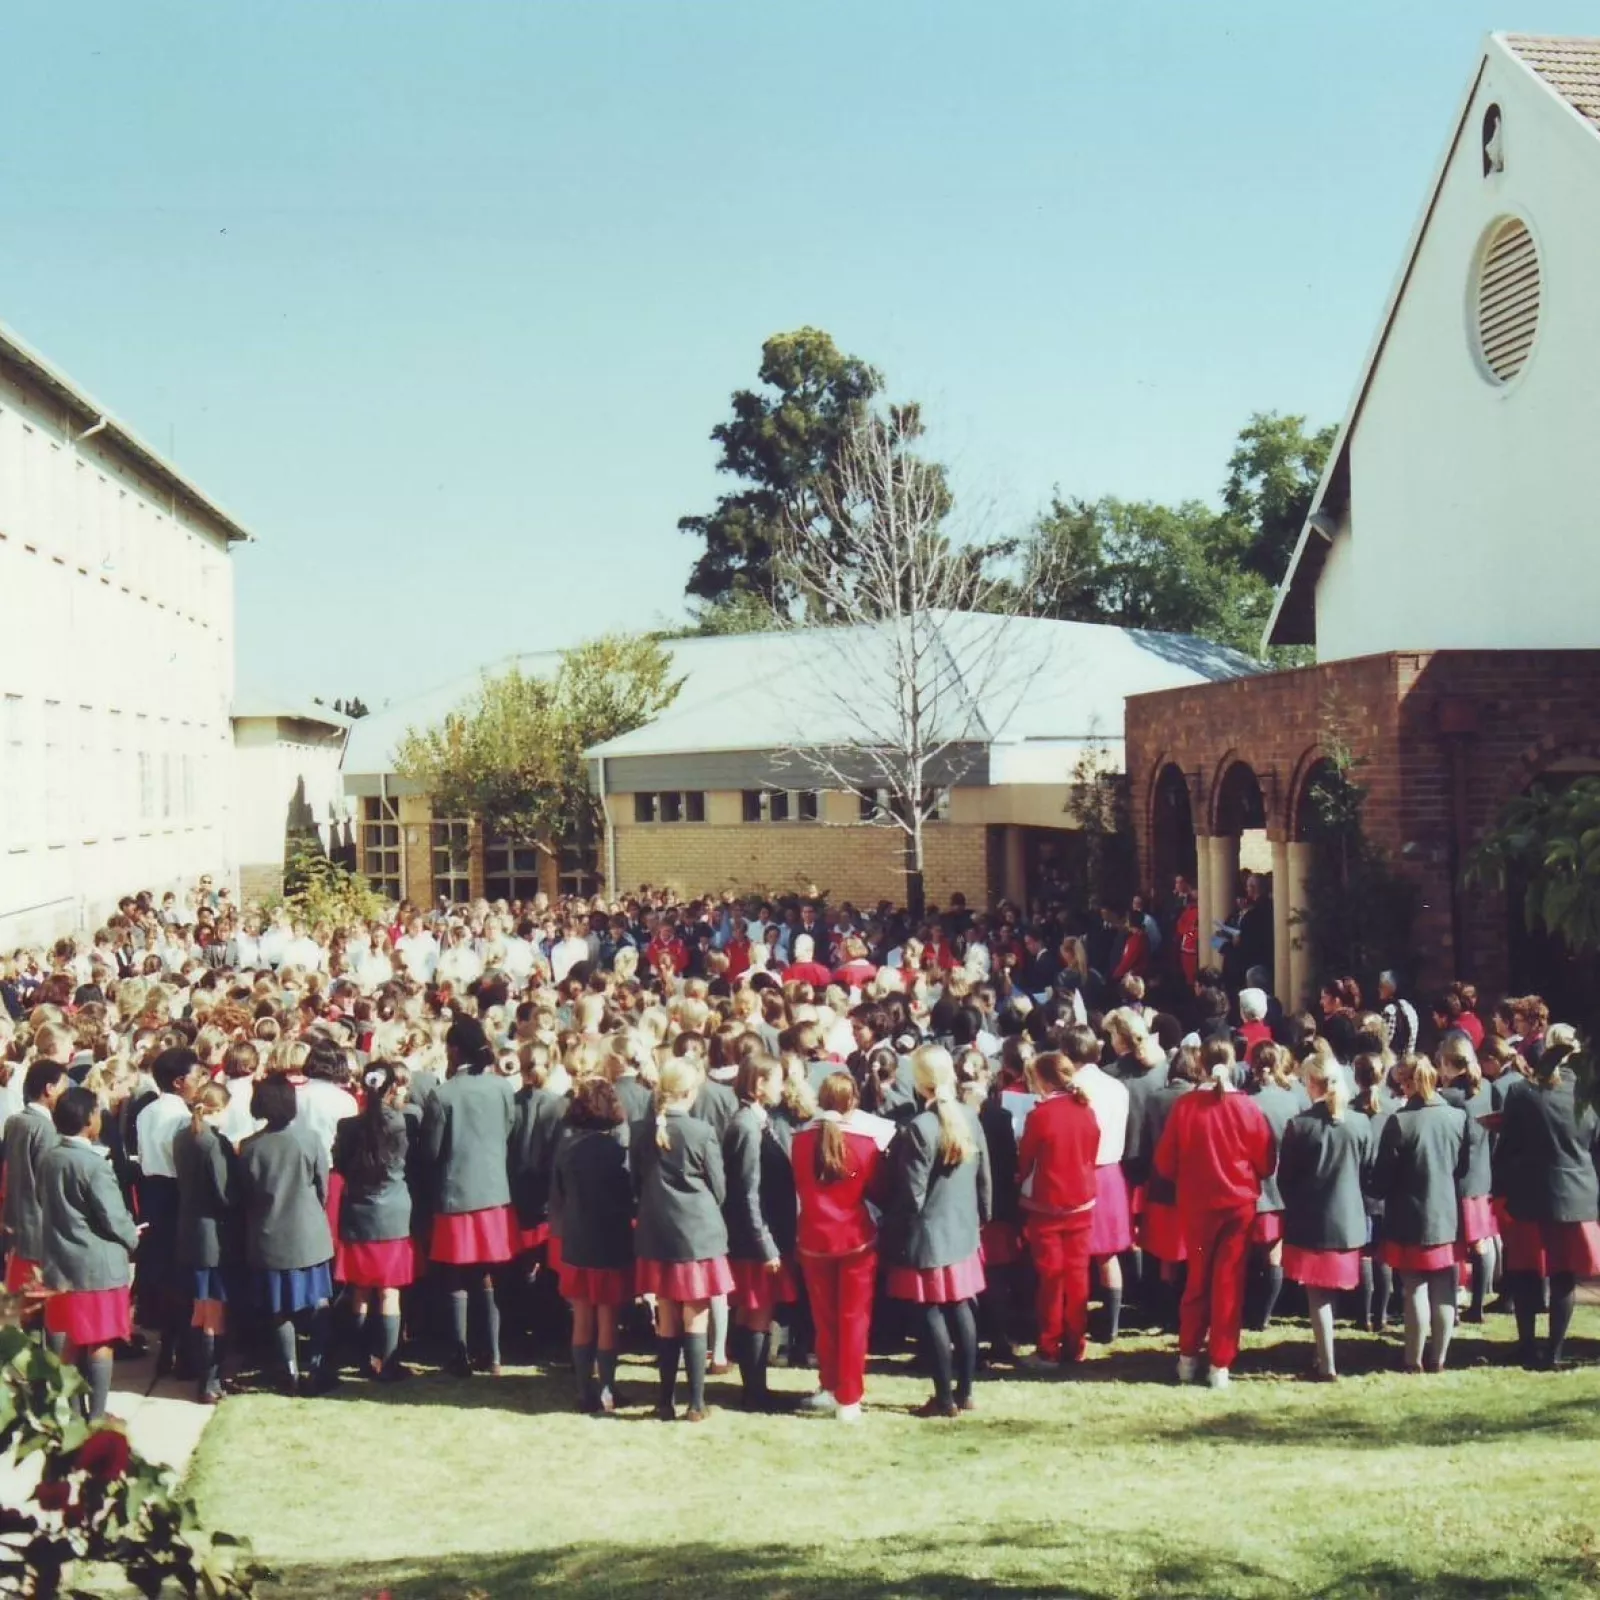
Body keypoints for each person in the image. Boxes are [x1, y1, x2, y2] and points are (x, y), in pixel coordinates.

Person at [1152, 1039, 1275, 1389]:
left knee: (1197, 1279)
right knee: (1228, 1283)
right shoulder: (1247, 1108)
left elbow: (1165, 1162)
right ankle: (1220, 1363)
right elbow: (1266, 1162)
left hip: (1197, 1208)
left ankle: (1188, 1356)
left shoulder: (1185, 1106)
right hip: (1238, 1207)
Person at [882, 1045, 992, 1418]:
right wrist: (982, 1217)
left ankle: (944, 1397)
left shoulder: (919, 1127)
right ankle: (966, 1392)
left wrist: (893, 1233)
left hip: (929, 1233)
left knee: (931, 1312)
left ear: (919, 1082)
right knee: (961, 1306)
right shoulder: (969, 1116)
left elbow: (912, 1196)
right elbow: (984, 1177)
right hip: (962, 1226)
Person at [1490, 1026, 1600, 1369]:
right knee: (1563, 1275)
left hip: (1529, 1190)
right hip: (1574, 1190)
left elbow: (1508, 1147)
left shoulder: (1523, 1092)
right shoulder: (1586, 1094)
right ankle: (1553, 1351)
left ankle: (1527, 1347)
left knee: (1524, 1272)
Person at [633, 1056, 732, 1423]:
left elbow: (635, 1183)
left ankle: (663, 1401)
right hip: (697, 1235)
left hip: (656, 1232)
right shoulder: (701, 1132)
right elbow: (719, 1188)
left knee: (667, 1317)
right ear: (690, 1092)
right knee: (696, 1317)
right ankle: (695, 1403)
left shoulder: (641, 1130)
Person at [421, 1017, 517, 1379]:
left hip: (456, 1191)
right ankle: (492, 1355)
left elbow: (432, 1150)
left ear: (453, 1049)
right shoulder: (502, 1088)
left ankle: (459, 1355)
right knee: (488, 1275)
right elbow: (508, 1130)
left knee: (456, 1275)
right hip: (494, 1191)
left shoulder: (443, 1094)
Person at [39, 1087, 140, 1421]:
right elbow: (113, 1217)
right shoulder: (95, 1166)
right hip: (96, 1267)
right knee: (100, 1342)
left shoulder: (49, 1158)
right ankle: (96, 1415)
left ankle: (72, 1410)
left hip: (60, 1264)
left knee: (68, 1341)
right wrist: (134, 1238)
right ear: (87, 1119)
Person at [789, 1072, 886, 1423]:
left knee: (825, 1319)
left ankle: (830, 1386)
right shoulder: (865, 1143)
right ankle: (849, 1395)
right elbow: (877, 1190)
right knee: (853, 1319)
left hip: (814, 1236)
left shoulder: (798, 1140)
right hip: (855, 1238)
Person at [1368, 1054, 1470, 1375]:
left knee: (1415, 1287)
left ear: (1408, 1083)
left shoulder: (1400, 1121)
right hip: (1446, 1214)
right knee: (1444, 1287)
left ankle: (1413, 1360)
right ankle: (1438, 1359)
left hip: (1410, 1216)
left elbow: (1382, 1180)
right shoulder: (1457, 1117)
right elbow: (1462, 1169)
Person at [237, 1074, 337, 1395]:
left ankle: (288, 1371)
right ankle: (317, 1368)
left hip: (269, 1236)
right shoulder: (310, 1140)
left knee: (279, 1308)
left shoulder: (251, 1147)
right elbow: (324, 1187)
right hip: (309, 1234)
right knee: (318, 1302)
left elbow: (245, 1195)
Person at [1278, 1056, 1371, 1382]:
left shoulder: (1300, 1125)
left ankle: (1327, 1362)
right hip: (1348, 1220)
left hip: (1312, 1221)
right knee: (1330, 1294)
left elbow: (1285, 1179)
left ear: (1310, 1083)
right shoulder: (1360, 1123)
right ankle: (1325, 1355)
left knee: (1318, 1296)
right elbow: (1366, 1170)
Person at [551, 1076, 635, 1414]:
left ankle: (583, 1391)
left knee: (582, 1317)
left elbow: (558, 1193)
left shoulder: (568, 1151)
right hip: (610, 1239)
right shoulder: (617, 1151)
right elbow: (628, 1197)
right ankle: (608, 1389)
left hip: (577, 1238)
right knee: (607, 1319)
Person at [721, 1053, 797, 1410]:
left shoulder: (757, 1122)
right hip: (755, 1237)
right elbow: (747, 1191)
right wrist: (765, 1244)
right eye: (777, 1079)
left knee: (755, 1311)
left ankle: (755, 1388)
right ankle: (755, 1392)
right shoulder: (747, 1126)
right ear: (759, 1083)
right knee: (757, 1310)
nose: (783, 1086)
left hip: (760, 1233)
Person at [332, 1061, 417, 1382]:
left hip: (359, 1211)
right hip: (393, 1211)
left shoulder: (347, 1126)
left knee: (361, 1291)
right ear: (390, 1086)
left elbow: (339, 1164)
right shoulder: (401, 1123)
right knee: (389, 1291)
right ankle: (389, 1361)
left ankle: (362, 1359)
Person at [1016, 1049, 1100, 1371]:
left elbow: (1025, 1161)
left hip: (1048, 1204)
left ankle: (1049, 1347)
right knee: (1077, 1276)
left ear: (1043, 1078)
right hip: (1081, 1201)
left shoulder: (1041, 1115)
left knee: (1051, 1278)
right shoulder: (1085, 1109)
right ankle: (1075, 1343)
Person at [1060, 1024, 1131, 1344]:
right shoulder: (1117, 1087)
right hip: (1111, 1170)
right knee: (1107, 1254)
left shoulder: (1072, 1088)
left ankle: (1076, 1319)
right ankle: (1110, 1325)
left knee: (1075, 1253)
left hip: (1082, 1171)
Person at [172, 1081, 242, 1403]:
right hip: (213, 1233)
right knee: (214, 1309)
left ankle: (198, 1372)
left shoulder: (183, 1136)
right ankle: (210, 1382)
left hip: (189, 1226)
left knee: (199, 1307)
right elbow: (225, 1193)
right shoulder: (215, 1143)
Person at [1437, 1034, 1497, 1324]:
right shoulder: (1485, 1088)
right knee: (1480, 1243)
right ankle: (1478, 1305)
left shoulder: (1450, 1097)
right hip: (1480, 1177)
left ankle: (1452, 1307)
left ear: (1447, 1062)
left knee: (1453, 1246)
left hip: (1456, 1179)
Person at [1244, 1042, 1303, 1332]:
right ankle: (1264, 1315)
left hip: (1249, 1186)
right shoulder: (1293, 1101)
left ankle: (1251, 1310)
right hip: (1282, 1186)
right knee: (1273, 1254)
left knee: (1245, 1253)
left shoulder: (1245, 1101)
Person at [2, 1060, 69, 1302]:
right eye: (63, 1086)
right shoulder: (45, 1129)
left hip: (18, 1218)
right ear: (49, 1088)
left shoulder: (15, 1121)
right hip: (40, 1224)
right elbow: (47, 1181)